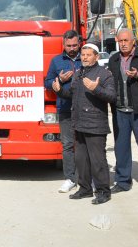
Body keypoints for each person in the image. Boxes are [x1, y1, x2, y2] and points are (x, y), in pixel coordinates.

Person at [53, 43, 116, 205]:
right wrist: (59, 89)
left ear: (97, 56)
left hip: (95, 124)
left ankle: (103, 191)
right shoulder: (78, 73)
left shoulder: (104, 74)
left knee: (98, 160)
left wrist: (96, 89)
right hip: (79, 122)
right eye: (83, 55)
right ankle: (85, 189)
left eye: (89, 55)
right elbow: (71, 94)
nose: (85, 57)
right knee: (81, 159)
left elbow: (111, 96)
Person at [107, 29, 138, 198]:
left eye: (126, 40)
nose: (123, 43)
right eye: (120, 41)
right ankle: (122, 181)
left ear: (133, 41)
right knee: (121, 148)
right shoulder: (113, 59)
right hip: (120, 110)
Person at [44, 30, 82, 193]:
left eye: (74, 45)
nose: (72, 48)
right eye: (69, 46)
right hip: (65, 108)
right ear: (63, 45)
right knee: (67, 145)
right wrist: (60, 80)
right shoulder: (56, 60)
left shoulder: (86, 57)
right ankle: (70, 179)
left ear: (79, 43)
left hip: (85, 109)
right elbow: (47, 83)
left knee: (85, 145)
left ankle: (86, 178)